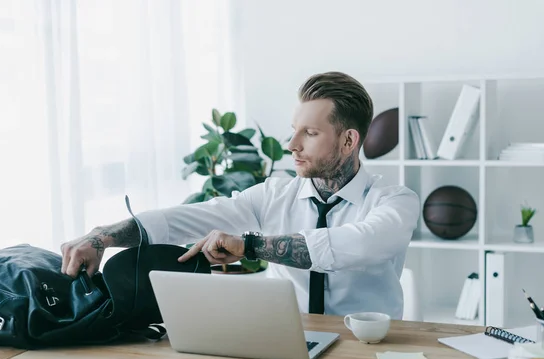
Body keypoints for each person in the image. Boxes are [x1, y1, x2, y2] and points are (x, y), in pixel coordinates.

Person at [61, 71, 420, 319]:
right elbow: (186, 219)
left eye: (309, 133)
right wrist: (103, 235)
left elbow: (351, 245)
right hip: (290, 342)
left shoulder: (394, 201)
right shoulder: (274, 194)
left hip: (370, 349)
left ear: (348, 141)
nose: (291, 145)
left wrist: (247, 246)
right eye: (294, 130)